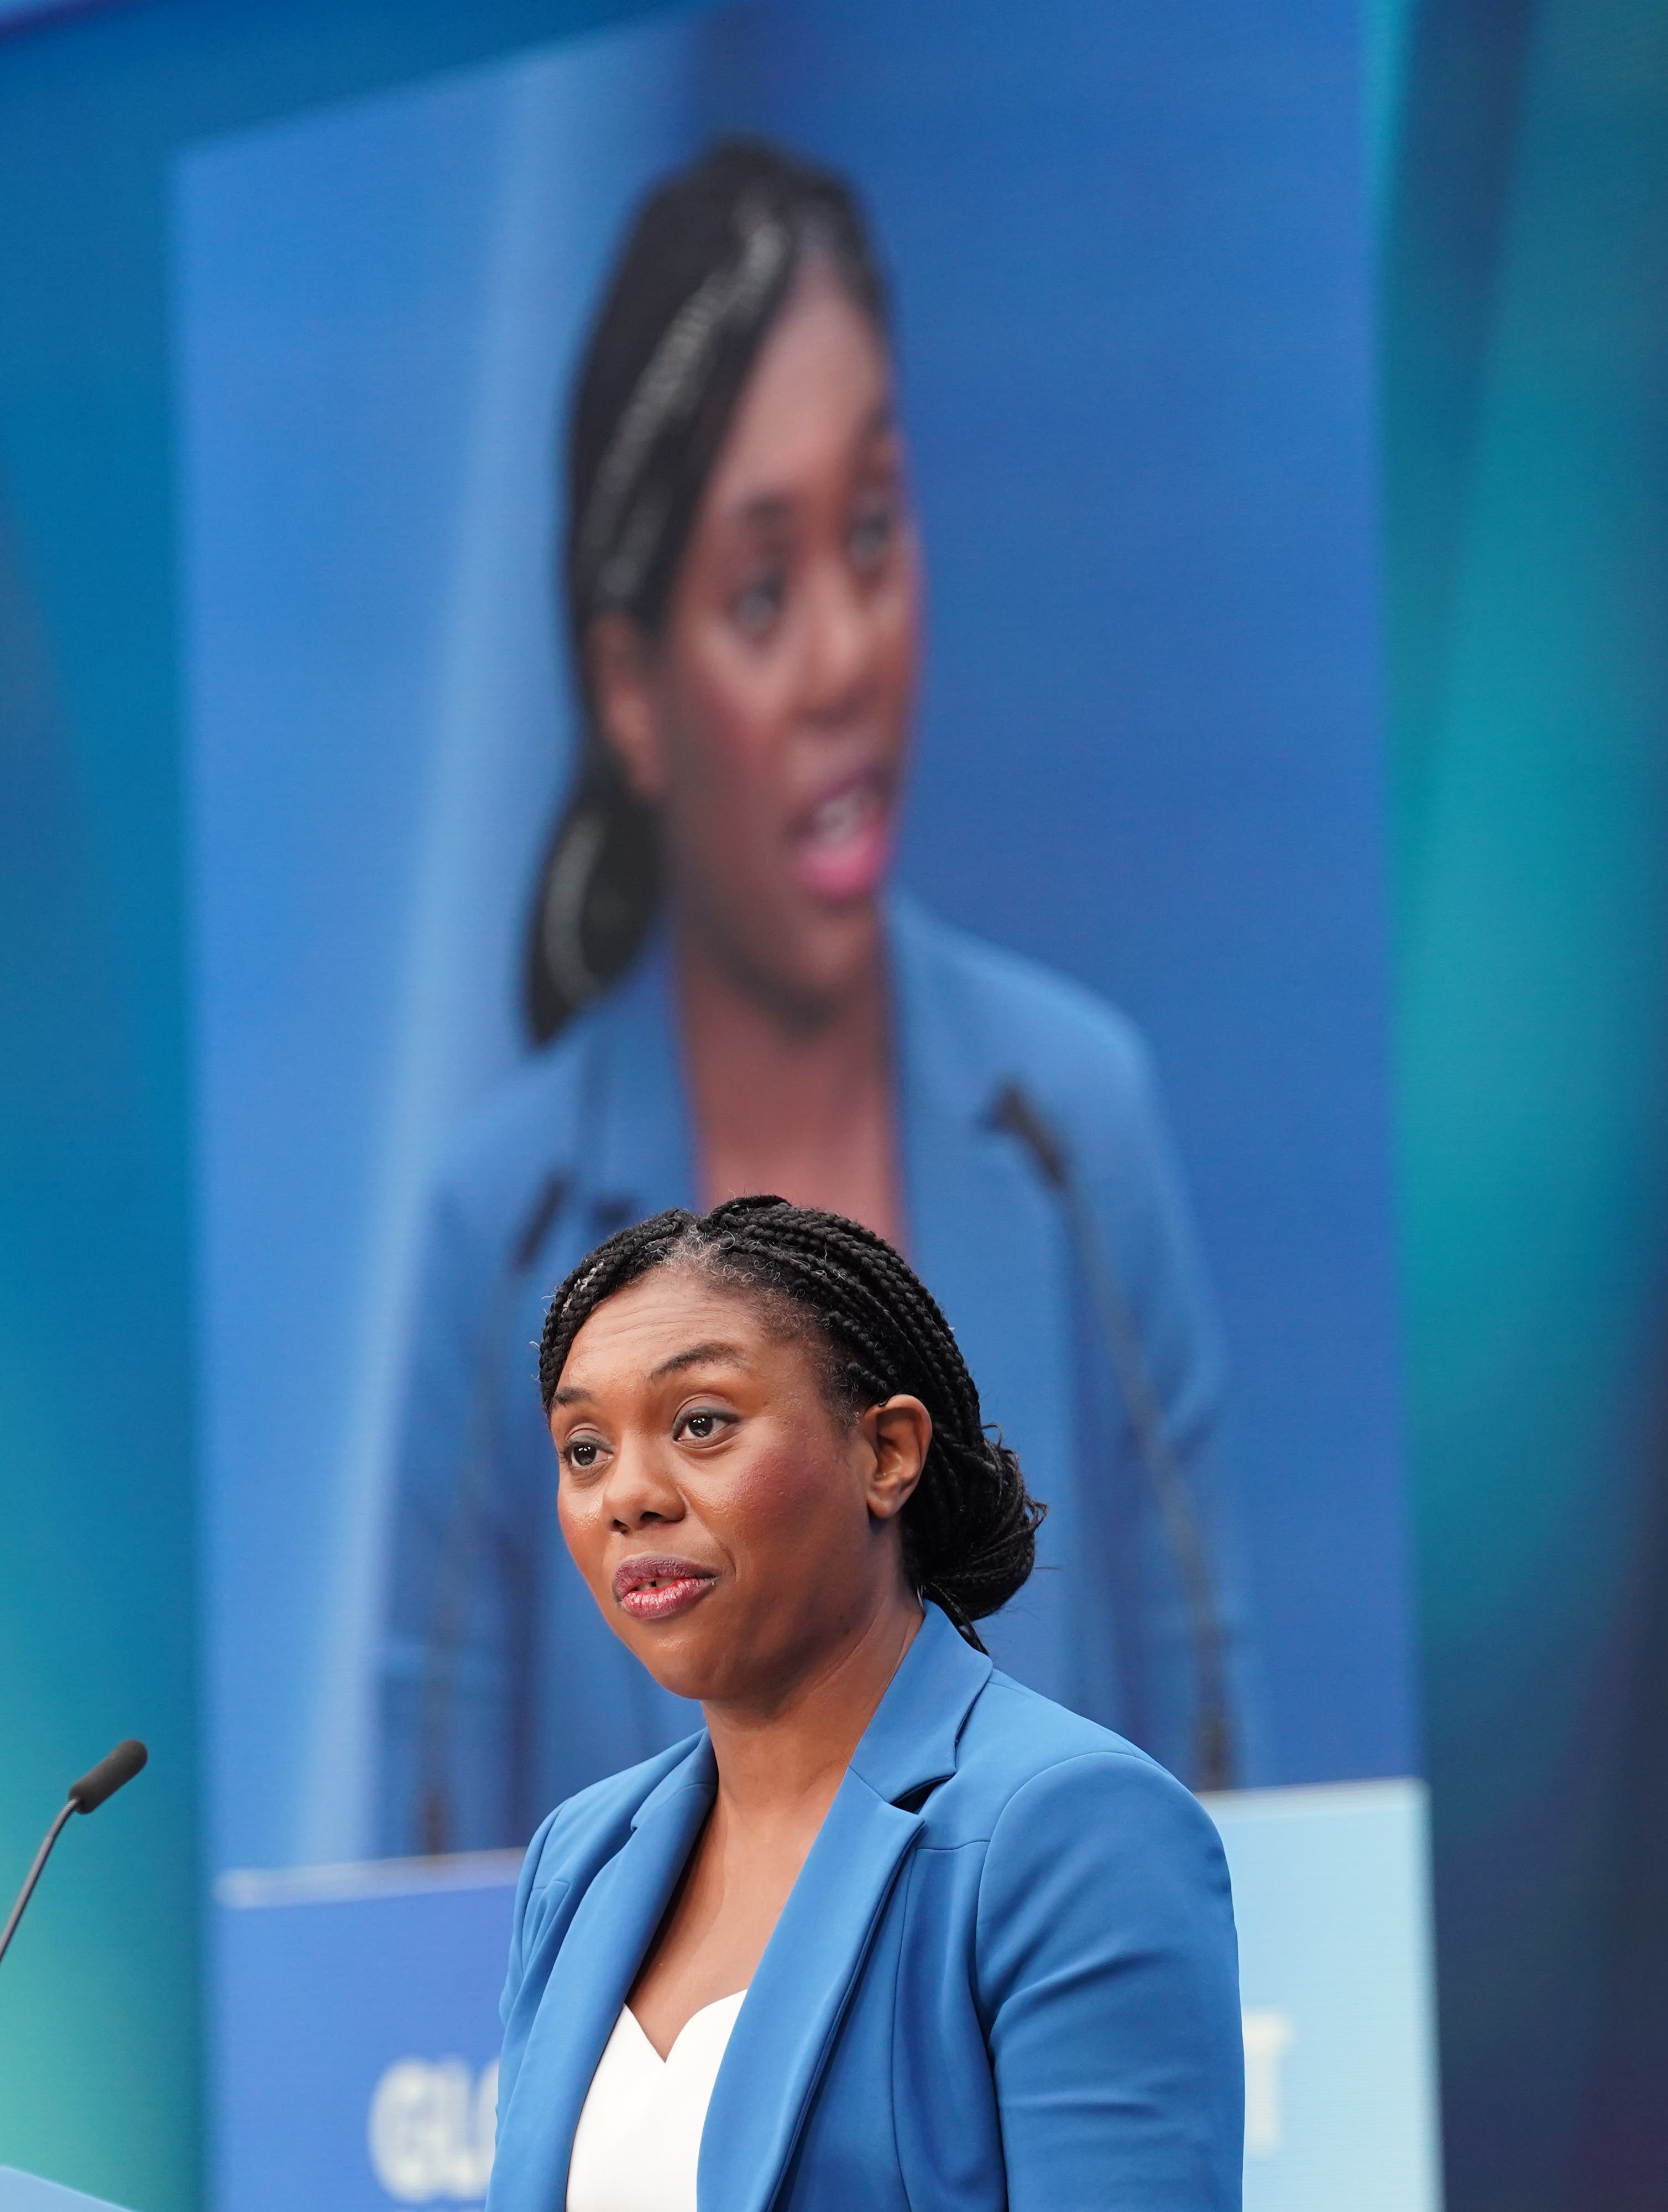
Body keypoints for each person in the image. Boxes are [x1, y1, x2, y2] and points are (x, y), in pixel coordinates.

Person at [378, 138, 1249, 1856]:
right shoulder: (502, 1225)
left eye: (873, 531)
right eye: (763, 592)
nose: (849, 656)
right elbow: (405, 1896)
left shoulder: (1077, 1128)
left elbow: (1227, 1779)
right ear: (630, 690)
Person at [485, 1198, 1242, 2212]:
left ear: (886, 1453)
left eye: (701, 1424)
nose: (629, 1495)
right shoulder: (579, 1857)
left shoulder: (1070, 1828)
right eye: (585, 1449)